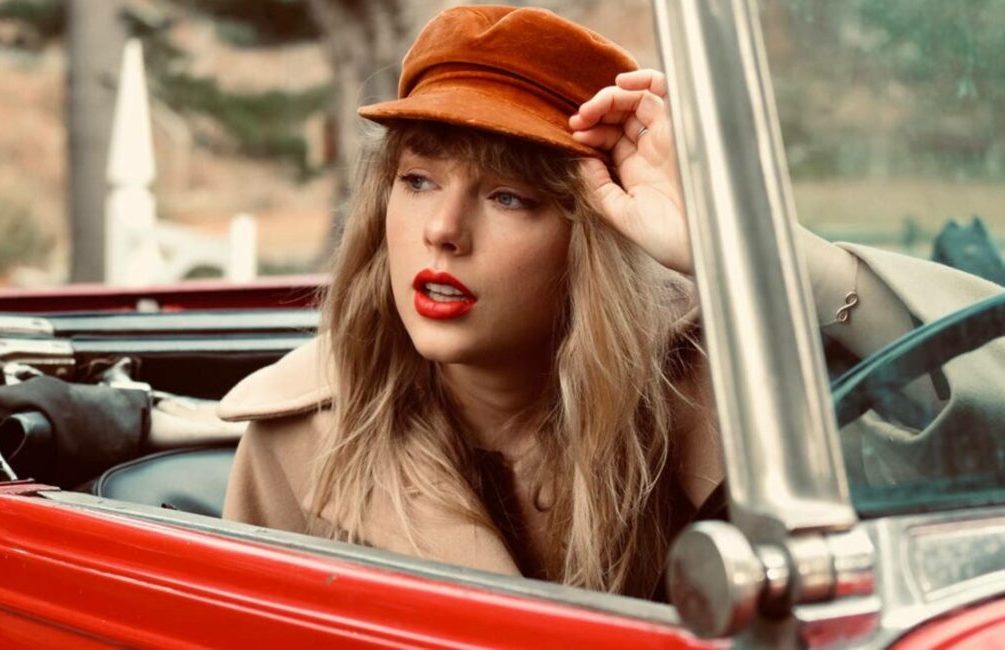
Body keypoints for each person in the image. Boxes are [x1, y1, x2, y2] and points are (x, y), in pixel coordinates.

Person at [219, 5, 1004, 599]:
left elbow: (981, 415)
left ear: (589, 235)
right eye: (417, 180)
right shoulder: (300, 439)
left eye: (508, 196)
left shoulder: (720, 385)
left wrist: (743, 241)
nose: (443, 232)